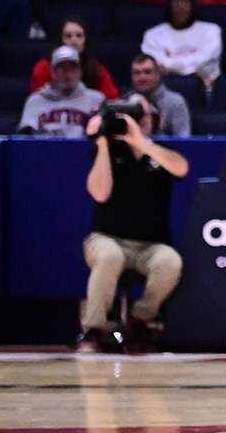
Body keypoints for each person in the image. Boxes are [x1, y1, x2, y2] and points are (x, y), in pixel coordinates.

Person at [76, 97, 189, 352]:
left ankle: (140, 318)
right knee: (109, 256)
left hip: (151, 245)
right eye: (129, 116)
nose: (137, 121)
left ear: (155, 119)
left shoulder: (161, 152)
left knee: (170, 261)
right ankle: (93, 329)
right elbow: (100, 193)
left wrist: (142, 144)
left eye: (141, 115)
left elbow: (181, 169)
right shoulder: (108, 151)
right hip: (106, 238)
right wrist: (103, 142)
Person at [140, 0, 223, 89]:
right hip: (164, 89)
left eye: (184, 0)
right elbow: (154, 65)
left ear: (192, 5)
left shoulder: (211, 31)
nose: (180, 5)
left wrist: (168, 67)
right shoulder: (152, 35)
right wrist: (192, 71)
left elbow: (204, 60)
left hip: (205, 89)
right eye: (175, 1)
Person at [20, 46, 107, 136]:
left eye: (72, 68)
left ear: (80, 71)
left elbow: (104, 138)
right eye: (63, 69)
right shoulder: (34, 101)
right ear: (53, 72)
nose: (68, 74)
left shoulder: (95, 99)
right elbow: (24, 139)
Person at [30, 17, 119, 100]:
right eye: (68, 36)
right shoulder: (43, 68)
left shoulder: (96, 69)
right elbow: (38, 101)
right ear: (60, 40)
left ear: (86, 41)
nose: (74, 41)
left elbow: (112, 101)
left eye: (79, 36)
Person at [128, 54, 192, 139]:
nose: (142, 77)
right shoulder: (126, 102)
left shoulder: (176, 102)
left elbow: (184, 140)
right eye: (137, 73)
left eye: (147, 72)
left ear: (158, 74)